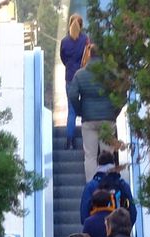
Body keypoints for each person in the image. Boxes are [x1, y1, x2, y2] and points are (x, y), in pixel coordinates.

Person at [66, 44, 123, 180]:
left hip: (88, 120)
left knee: (90, 155)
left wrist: (80, 110)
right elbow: (122, 93)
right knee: (107, 154)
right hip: (108, 119)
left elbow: (72, 95)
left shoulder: (80, 74)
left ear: (90, 54)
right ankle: (108, 184)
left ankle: (92, 187)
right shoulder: (112, 73)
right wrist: (115, 111)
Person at [79, 151, 138, 230]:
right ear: (113, 164)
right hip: (119, 230)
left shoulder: (90, 186)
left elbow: (84, 215)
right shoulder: (122, 185)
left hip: (97, 231)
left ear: (98, 164)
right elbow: (132, 211)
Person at [60, 12, 89, 150]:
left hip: (70, 77)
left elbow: (63, 58)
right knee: (85, 108)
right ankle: (87, 142)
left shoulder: (64, 42)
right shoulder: (85, 40)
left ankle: (69, 142)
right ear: (81, 25)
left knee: (71, 111)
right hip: (83, 77)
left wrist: (70, 66)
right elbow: (89, 57)